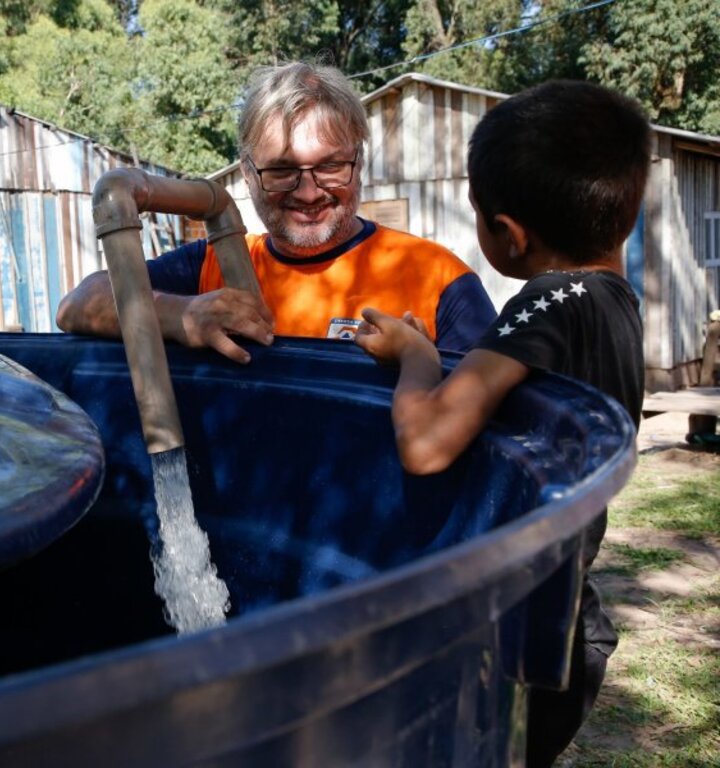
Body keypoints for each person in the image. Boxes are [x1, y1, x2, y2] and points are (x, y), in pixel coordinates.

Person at [353, 80, 651, 767]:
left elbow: (427, 444)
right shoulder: (617, 304)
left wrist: (417, 357)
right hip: (566, 618)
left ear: (508, 236)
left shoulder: (549, 300)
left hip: (518, 638)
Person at [56, 61, 496, 363]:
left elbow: (495, 426)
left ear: (359, 164)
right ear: (247, 173)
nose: (308, 192)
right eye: (282, 170)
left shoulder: (439, 279)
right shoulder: (215, 263)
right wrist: (179, 316)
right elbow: (76, 305)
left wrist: (426, 370)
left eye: (329, 165)